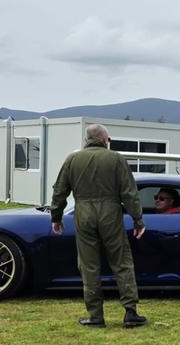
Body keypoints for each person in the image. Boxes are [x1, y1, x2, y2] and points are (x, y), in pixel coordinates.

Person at [50, 124, 148, 328]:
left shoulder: (72, 159)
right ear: (105, 139)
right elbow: (129, 193)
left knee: (88, 265)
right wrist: (138, 220)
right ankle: (130, 312)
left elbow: (60, 191)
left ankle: (95, 316)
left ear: (87, 140)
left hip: (83, 212)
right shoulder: (116, 159)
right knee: (122, 262)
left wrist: (56, 217)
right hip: (111, 213)